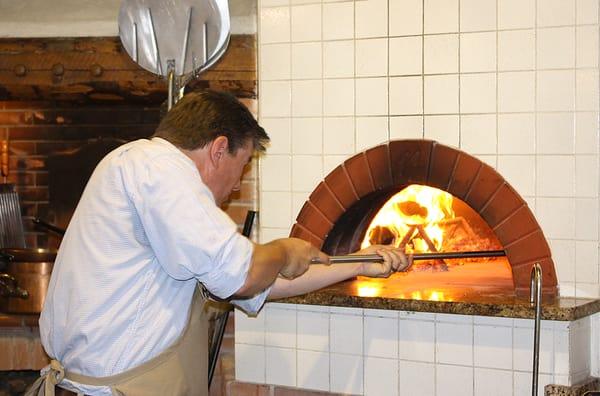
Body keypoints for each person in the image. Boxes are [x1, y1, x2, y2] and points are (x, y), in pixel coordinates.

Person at [28, 90, 411, 396]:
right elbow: (245, 275)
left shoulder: (150, 179)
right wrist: (282, 249)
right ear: (217, 149)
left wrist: (359, 262)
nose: (238, 184)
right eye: (242, 166)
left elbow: (260, 283)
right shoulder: (157, 170)